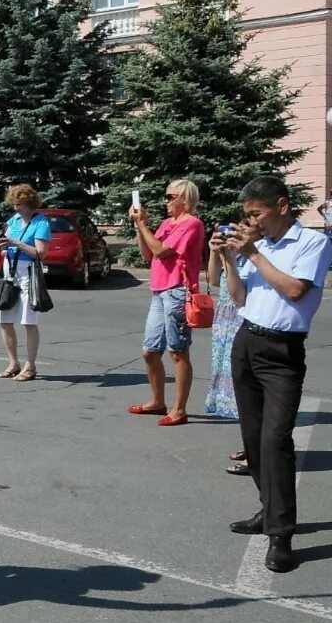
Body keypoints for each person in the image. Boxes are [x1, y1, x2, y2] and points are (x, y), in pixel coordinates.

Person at [216, 175, 332, 573]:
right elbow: (239, 297)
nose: (252, 222)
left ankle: (281, 534)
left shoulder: (313, 244)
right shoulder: (257, 246)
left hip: (282, 351)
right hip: (247, 341)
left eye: (256, 213)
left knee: (275, 438)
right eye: (247, 215)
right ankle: (268, 511)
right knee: (252, 439)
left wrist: (251, 255)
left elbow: (295, 291)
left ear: (281, 205)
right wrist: (230, 260)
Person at [128, 179, 205, 427]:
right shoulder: (166, 224)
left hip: (178, 292)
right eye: (167, 196)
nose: (167, 201)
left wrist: (142, 225)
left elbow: (162, 251)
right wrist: (141, 227)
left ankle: (179, 409)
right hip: (160, 292)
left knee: (177, 352)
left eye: (171, 197)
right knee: (149, 351)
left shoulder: (192, 224)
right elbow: (147, 254)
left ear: (185, 198)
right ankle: (157, 401)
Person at [0, 184, 52, 382]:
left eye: (19, 204)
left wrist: (15, 243)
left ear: (29, 203)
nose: (15, 208)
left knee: (29, 321)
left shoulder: (40, 222)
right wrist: (2, 246)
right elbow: (6, 241)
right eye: (13, 204)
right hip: (9, 273)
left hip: (28, 274)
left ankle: (30, 366)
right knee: (5, 321)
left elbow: (40, 253)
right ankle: (13, 363)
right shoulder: (14, 220)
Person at [206, 214, 247, 475]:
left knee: (243, 385)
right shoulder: (229, 253)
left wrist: (234, 256)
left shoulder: (252, 255)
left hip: (241, 319)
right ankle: (251, 444)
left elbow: (239, 292)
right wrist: (215, 253)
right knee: (235, 385)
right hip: (224, 320)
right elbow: (212, 280)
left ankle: (256, 452)